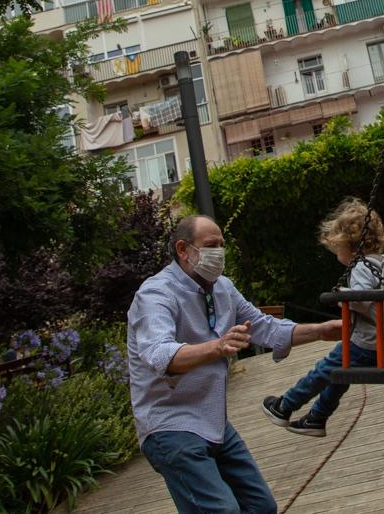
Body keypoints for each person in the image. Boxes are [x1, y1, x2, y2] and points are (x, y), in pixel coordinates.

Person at [127, 214, 343, 514]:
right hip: (170, 427)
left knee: (261, 507)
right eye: (210, 245)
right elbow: (160, 356)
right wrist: (217, 347)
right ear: (182, 249)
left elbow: (264, 327)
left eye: (222, 244)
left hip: (214, 422)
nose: (218, 252)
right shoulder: (155, 295)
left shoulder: (222, 288)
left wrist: (321, 331)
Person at [261, 198, 384, 438]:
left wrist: (344, 296)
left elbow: (361, 299)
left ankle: (284, 406)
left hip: (367, 344)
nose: (335, 253)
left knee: (323, 370)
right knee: (340, 372)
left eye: (336, 248)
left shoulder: (363, 267)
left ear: (349, 244)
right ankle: (317, 417)